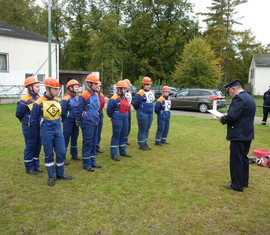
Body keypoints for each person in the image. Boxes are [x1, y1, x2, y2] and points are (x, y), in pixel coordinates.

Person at [31, 77, 72, 186]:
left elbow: (62, 115)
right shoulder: (39, 103)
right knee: (48, 154)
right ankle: (51, 176)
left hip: (58, 130)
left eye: (58, 89)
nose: (57, 91)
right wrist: (41, 132)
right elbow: (34, 120)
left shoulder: (58, 101)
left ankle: (60, 174)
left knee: (61, 152)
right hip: (46, 131)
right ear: (48, 88)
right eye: (55, 89)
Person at [217, 79, 256, 192]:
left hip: (238, 134)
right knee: (243, 158)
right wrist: (228, 114)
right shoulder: (248, 98)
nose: (230, 94)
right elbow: (240, 114)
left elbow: (232, 117)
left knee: (236, 159)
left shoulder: (239, 98)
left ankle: (237, 185)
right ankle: (243, 181)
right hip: (247, 133)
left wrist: (222, 118)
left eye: (230, 92)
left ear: (234, 89)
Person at [15, 77, 42, 175]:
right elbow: (18, 114)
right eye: (37, 86)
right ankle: (29, 167)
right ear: (30, 87)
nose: (39, 88)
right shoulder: (24, 100)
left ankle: (36, 165)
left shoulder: (39, 98)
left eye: (39, 86)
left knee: (38, 145)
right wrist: (27, 122)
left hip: (39, 126)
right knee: (30, 146)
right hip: (29, 127)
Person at [76, 74, 102, 172]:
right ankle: (86, 163)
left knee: (94, 141)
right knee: (88, 141)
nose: (97, 86)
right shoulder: (84, 95)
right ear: (89, 84)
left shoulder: (95, 94)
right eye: (95, 84)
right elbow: (79, 109)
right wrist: (79, 120)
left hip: (95, 119)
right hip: (87, 121)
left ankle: (92, 161)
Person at [107, 80, 132, 161]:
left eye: (125, 89)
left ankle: (123, 152)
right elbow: (109, 111)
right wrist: (114, 117)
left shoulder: (125, 98)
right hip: (117, 118)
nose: (125, 90)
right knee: (116, 135)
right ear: (118, 89)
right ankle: (114, 154)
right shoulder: (113, 99)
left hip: (125, 117)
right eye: (123, 89)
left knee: (124, 135)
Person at [61, 79, 82, 165]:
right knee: (65, 138)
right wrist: (65, 119)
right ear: (70, 88)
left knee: (75, 137)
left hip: (75, 121)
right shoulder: (65, 99)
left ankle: (74, 154)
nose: (78, 89)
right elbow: (62, 112)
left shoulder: (77, 98)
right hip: (68, 121)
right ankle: (62, 157)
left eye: (78, 87)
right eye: (76, 87)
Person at [133, 77, 155, 151]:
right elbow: (135, 104)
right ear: (143, 84)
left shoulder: (151, 92)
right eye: (146, 84)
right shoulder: (139, 93)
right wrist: (140, 110)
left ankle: (145, 143)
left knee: (147, 129)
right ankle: (141, 144)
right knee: (143, 129)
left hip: (150, 113)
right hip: (143, 113)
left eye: (149, 84)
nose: (148, 86)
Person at [96, 81, 105, 153]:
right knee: (94, 131)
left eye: (99, 86)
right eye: (97, 86)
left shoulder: (101, 95)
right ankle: (93, 147)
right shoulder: (92, 95)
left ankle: (97, 146)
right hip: (94, 113)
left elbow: (103, 104)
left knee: (99, 131)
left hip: (100, 113)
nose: (98, 88)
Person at [123, 79, 132, 145]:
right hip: (123, 110)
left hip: (128, 110)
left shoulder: (129, 93)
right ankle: (122, 139)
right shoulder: (122, 93)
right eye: (129, 86)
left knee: (128, 125)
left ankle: (125, 138)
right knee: (124, 126)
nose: (129, 87)